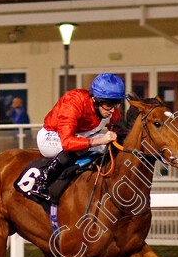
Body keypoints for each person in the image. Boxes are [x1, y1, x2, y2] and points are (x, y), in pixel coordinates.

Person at [28, 73, 124, 202]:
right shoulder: (73, 102)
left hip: (80, 136)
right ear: (95, 100)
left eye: (115, 104)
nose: (112, 111)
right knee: (78, 148)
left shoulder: (110, 110)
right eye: (108, 105)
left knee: (111, 146)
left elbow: (119, 136)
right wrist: (99, 141)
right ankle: (41, 183)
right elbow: (67, 142)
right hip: (52, 137)